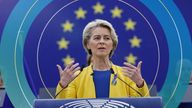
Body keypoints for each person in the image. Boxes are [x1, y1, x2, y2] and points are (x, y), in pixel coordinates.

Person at [55, 19, 149, 99]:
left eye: (107, 38)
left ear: (113, 44)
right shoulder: (76, 77)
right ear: (87, 44)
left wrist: (140, 84)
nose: (102, 42)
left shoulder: (127, 75)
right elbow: (63, 105)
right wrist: (63, 85)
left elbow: (144, 105)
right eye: (97, 38)